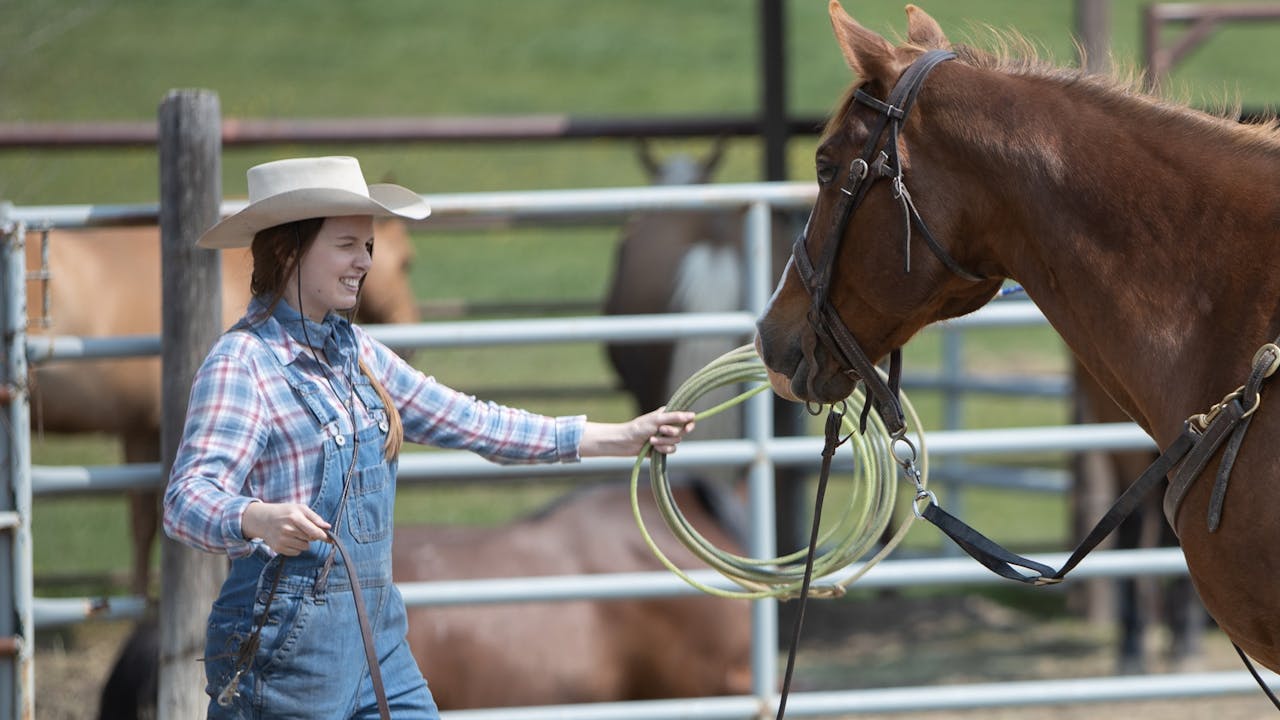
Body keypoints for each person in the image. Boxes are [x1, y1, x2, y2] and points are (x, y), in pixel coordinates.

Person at [162, 156, 696, 719]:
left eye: (367, 246)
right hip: (283, 646)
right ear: (290, 250)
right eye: (347, 245)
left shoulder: (357, 353)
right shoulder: (242, 363)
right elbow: (186, 499)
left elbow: (473, 421)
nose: (365, 262)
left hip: (378, 636)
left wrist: (616, 437)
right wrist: (256, 518)